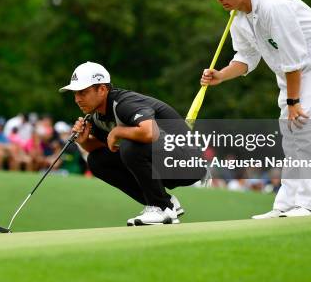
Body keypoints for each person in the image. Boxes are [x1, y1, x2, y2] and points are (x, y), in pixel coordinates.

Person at [201, 0, 311, 218]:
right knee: (289, 132)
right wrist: (221, 75)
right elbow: (247, 57)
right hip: (292, 68)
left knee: (306, 125)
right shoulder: (237, 18)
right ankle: (287, 204)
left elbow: (294, 59)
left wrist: (293, 102)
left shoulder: (273, 6)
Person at [61, 61, 205, 226]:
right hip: (165, 162)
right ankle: (164, 203)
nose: (77, 99)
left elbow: (150, 132)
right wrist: (84, 141)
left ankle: (161, 207)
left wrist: (118, 132)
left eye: (83, 92)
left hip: (188, 163)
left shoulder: (124, 103)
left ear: (101, 89)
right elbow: (106, 150)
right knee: (96, 161)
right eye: (75, 94)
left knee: (131, 146)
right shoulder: (97, 116)